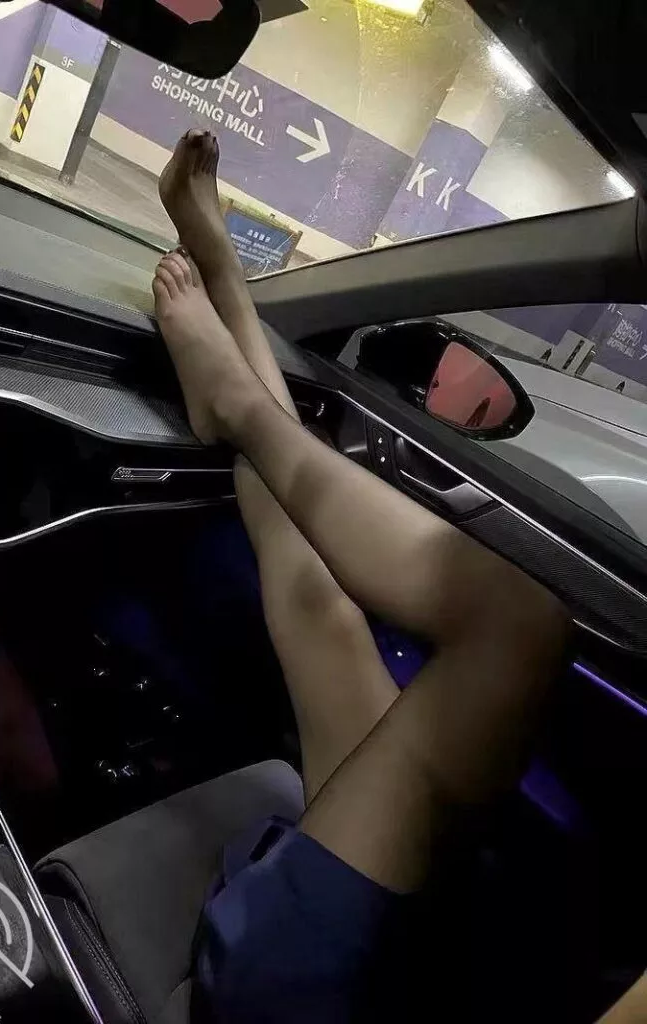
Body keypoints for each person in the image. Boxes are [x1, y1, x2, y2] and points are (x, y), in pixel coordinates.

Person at [155, 129, 570, 1022]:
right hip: (418, 955)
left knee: (518, 623)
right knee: (324, 610)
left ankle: (230, 397)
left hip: (313, 998)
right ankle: (228, 304)